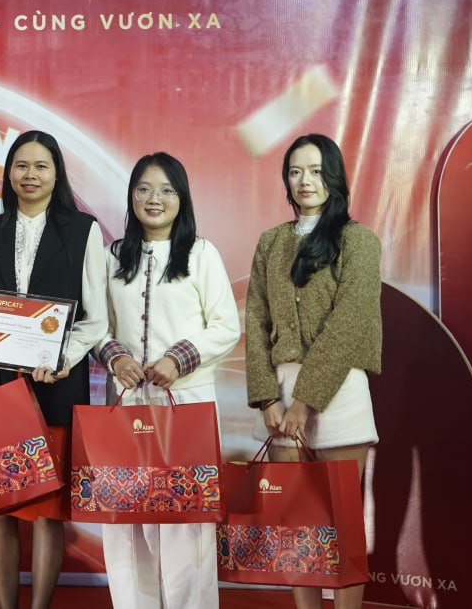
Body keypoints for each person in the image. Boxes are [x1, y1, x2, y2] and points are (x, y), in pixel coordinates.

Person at [0, 130, 108, 609]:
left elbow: (97, 319)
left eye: (41, 166)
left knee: (48, 511)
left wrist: (63, 359)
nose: (30, 175)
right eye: (21, 165)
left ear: (57, 174)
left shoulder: (83, 231)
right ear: (8, 174)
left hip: (55, 384)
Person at [97, 152, 240, 609]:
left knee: (186, 520)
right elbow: (94, 325)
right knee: (128, 517)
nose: (153, 198)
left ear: (182, 198)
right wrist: (116, 356)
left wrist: (179, 359)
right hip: (126, 402)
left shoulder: (201, 253)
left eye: (165, 190)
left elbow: (226, 326)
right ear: (131, 196)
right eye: (143, 189)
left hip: (186, 402)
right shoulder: (112, 256)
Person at [245, 133, 382, 609]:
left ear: (335, 177)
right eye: (296, 171)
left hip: (339, 390)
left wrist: (304, 403)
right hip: (280, 395)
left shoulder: (358, 240)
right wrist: (267, 398)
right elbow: (256, 320)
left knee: (342, 522)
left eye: (317, 171)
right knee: (296, 523)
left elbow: (349, 322)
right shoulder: (271, 242)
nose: (305, 181)